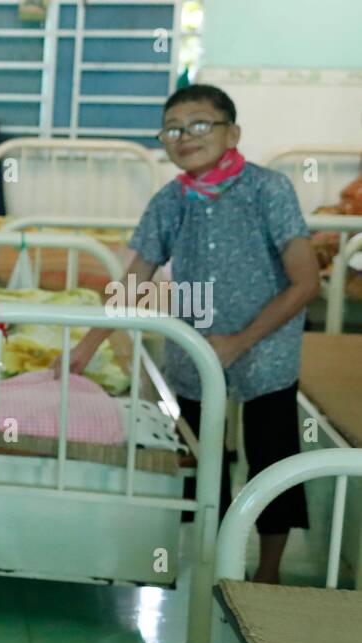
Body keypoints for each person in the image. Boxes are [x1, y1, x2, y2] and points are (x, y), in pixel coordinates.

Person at [67, 84, 320, 585]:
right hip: (195, 352)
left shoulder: (269, 189)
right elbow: (136, 278)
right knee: (205, 464)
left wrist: (239, 342)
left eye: (200, 124)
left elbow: (307, 281)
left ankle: (267, 573)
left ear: (233, 133)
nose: (186, 136)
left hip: (266, 349)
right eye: (174, 129)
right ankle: (218, 567)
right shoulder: (171, 200)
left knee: (272, 456)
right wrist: (85, 348)